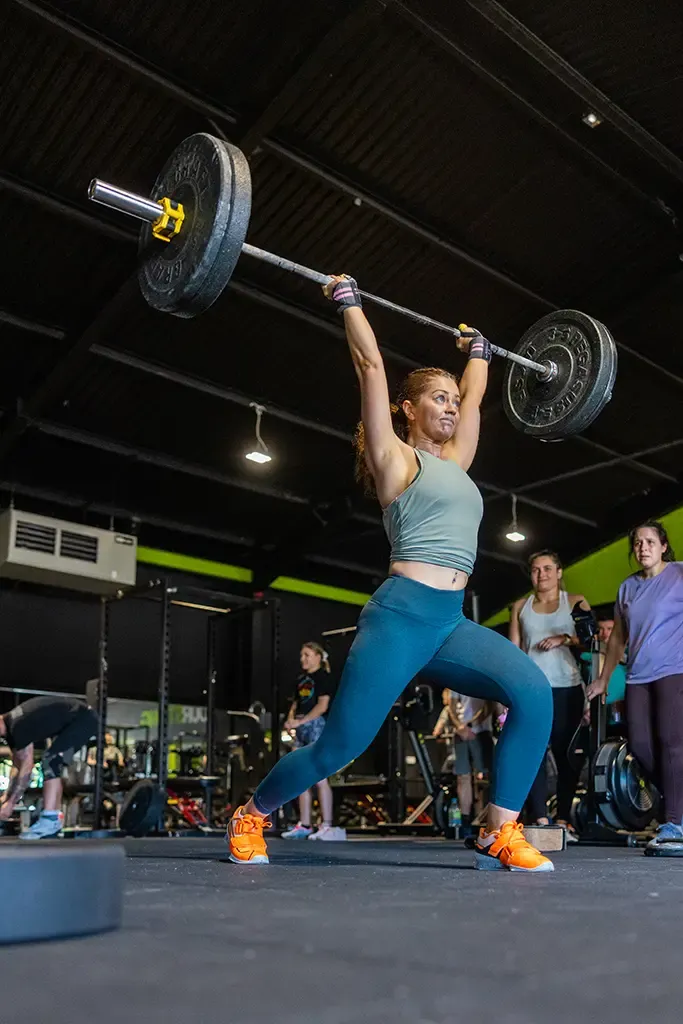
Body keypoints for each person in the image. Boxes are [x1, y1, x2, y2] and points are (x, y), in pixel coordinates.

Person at [227, 274, 554, 872]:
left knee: (533, 693)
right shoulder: (394, 458)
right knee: (339, 747)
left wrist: (478, 354)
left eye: (453, 400)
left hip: (449, 623)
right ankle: (251, 814)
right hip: (401, 617)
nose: (452, 407)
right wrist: (349, 302)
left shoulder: (459, 459)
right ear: (409, 410)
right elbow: (371, 367)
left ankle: (498, 830)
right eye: (438, 398)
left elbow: (478, 398)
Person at [587, 520, 683, 850]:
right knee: (640, 746)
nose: (643, 547)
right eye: (638, 543)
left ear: (664, 546)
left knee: (671, 740)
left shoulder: (680, 575)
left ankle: (674, 821)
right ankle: (679, 805)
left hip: (674, 669)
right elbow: (617, 638)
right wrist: (602, 679)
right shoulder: (627, 588)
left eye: (650, 542)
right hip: (638, 675)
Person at [509, 551, 590, 839]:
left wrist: (564, 639)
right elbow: (513, 653)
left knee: (565, 753)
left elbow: (591, 642)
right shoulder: (521, 606)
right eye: (535, 569)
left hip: (567, 687)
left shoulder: (575, 601)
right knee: (534, 752)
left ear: (558, 572)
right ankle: (541, 819)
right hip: (533, 690)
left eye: (546, 568)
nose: (541, 574)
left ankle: (564, 818)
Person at [0, 695, 98, 839]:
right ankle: (53, 819)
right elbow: (17, 766)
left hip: (84, 720)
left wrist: (11, 804)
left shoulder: (18, 726)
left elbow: (27, 768)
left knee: (51, 761)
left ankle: (50, 820)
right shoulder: (11, 729)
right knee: (52, 761)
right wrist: (6, 797)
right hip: (79, 719)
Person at [281, 642, 345, 841]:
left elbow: (322, 706)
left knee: (319, 776)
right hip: (300, 728)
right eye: (302, 655)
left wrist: (303, 721)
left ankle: (326, 824)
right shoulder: (301, 680)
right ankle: (305, 824)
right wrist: (291, 720)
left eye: (307, 655)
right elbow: (295, 704)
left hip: (315, 726)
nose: (303, 659)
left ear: (318, 657)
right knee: (301, 777)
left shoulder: (323, 678)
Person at [433, 688, 492, 832]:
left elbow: (489, 706)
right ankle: (465, 820)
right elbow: (451, 707)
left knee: (488, 776)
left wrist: (472, 724)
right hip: (461, 733)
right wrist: (460, 727)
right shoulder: (456, 682)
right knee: (462, 776)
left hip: (481, 731)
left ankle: (490, 818)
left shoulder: (483, 676)